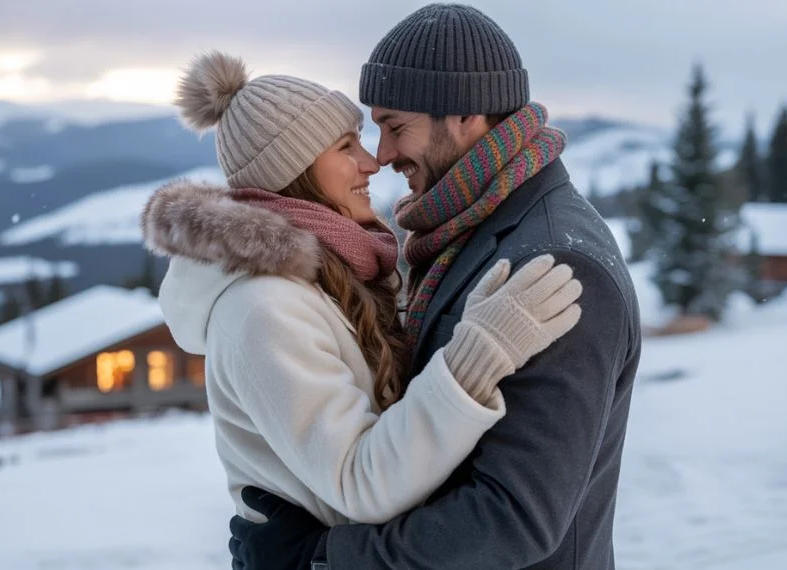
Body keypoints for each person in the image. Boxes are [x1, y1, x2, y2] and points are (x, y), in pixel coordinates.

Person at [227, 3, 642, 570]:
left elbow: (511, 518)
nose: (383, 155)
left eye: (395, 127)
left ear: (468, 115)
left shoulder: (555, 263)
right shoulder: (461, 233)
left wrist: (324, 556)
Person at [140, 51, 583, 542]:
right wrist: (478, 355)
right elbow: (361, 483)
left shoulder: (339, 278)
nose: (373, 162)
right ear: (297, 171)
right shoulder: (264, 310)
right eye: (346, 147)